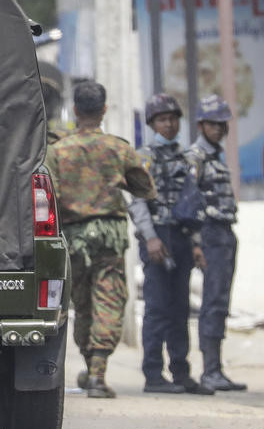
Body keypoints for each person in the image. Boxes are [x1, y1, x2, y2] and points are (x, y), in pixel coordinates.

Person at [45, 81, 156, 398]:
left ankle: (89, 366)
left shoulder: (57, 151)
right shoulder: (118, 148)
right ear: (104, 109)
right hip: (109, 236)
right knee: (109, 301)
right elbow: (145, 188)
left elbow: (48, 195)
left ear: (76, 110)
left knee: (82, 303)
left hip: (74, 237)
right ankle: (97, 372)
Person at [128, 94, 211, 395]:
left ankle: (181, 372)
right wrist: (150, 237)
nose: (170, 124)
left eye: (173, 118)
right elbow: (137, 203)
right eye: (163, 119)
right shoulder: (143, 157)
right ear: (152, 123)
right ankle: (153, 374)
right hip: (157, 236)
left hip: (183, 237)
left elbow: (193, 204)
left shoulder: (186, 157)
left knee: (179, 308)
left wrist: (197, 243)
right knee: (157, 307)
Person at [185, 94, 247, 392]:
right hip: (209, 234)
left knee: (220, 301)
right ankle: (210, 370)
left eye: (223, 123)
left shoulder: (213, 156)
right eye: (213, 123)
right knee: (213, 302)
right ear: (201, 125)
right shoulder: (196, 158)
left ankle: (215, 369)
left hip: (224, 233)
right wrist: (197, 243)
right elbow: (189, 204)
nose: (219, 128)